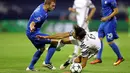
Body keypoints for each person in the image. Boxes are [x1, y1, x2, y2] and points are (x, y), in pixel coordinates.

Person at [37, 25, 101, 69]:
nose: (73, 33)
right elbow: (61, 35)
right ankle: (57, 48)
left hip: (93, 48)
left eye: (74, 33)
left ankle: (71, 60)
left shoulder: (84, 46)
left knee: (76, 61)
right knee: (63, 40)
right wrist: (46, 37)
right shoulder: (80, 32)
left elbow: (84, 64)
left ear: (77, 37)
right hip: (92, 37)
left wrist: (71, 71)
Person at [26, 0, 59, 71]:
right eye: (52, 6)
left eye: (54, 5)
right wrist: (32, 27)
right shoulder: (40, 14)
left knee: (41, 49)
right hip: (34, 34)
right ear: (47, 5)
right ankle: (46, 62)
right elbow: (33, 23)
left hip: (31, 33)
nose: (54, 7)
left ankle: (30, 67)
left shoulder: (43, 5)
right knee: (55, 42)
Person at [90, 0, 124, 66]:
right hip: (103, 22)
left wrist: (107, 17)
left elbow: (116, 11)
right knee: (99, 39)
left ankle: (120, 57)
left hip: (110, 22)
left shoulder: (111, 0)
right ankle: (98, 58)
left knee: (110, 42)